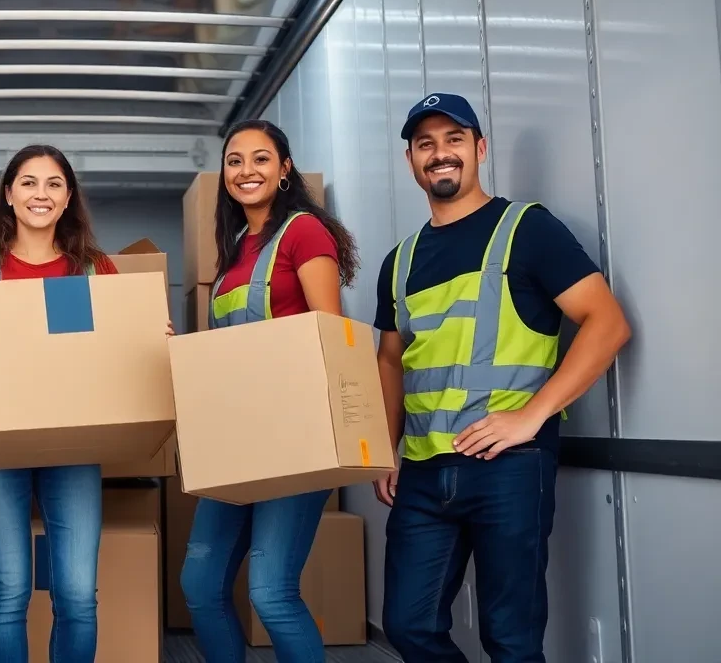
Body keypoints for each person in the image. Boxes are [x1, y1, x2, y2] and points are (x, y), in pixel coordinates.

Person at [374, 93, 631, 662]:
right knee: (408, 625)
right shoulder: (400, 260)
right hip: (421, 472)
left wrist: (531, 416)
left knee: (510, 638)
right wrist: (385, 446)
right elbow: (391, 359)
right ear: (411, 161)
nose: (440, 155)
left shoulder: (527, 230)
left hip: (508, 468)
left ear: (480, 149)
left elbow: (607, 324)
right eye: (425, 145)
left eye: (454, 140)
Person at [179, 119, 361, 663]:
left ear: (284, 170)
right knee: (201, 584)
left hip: (294, 434)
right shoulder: (235, 247)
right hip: (237, 439)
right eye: (234, 161)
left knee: (271, 592)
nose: (245, 170)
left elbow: (330, 330)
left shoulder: (304, 231)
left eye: (260, 159)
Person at [0, 145, 118, 663]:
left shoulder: (93, 270)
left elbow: (119, 355)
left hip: (73, 438)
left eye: (54, 184)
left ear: (68, 197)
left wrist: (148, 333)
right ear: (9, 195)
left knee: (77, 594)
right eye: (29, 183)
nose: (41, 194)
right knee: (9, 590)